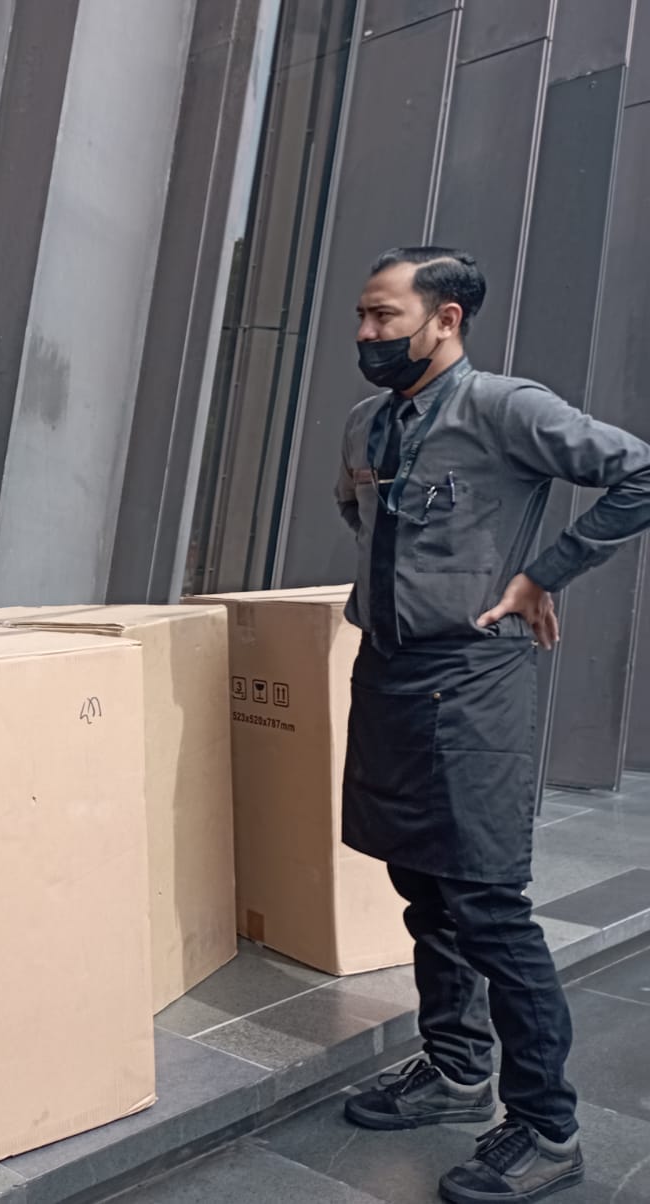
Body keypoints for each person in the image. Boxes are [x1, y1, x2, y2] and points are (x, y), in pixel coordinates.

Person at [335, 246, 650, 1203]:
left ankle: (548, 1128)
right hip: (389, 675)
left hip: (472, 681)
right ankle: (455, 1066)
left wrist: (540, 575)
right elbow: (365, 519)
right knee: (420, 885)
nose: (367, 334)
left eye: (386, 317)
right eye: (363, 316)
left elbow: (638, 473)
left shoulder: (507, 408)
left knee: (486, 904)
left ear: (447, 320)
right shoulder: (366, 422)